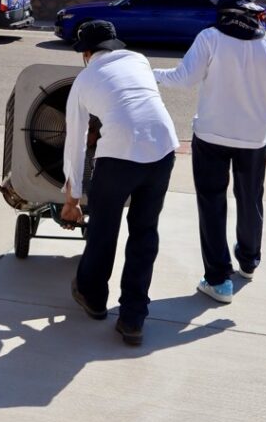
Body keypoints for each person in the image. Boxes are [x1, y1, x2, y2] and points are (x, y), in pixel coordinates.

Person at [153, 0, 266, 305]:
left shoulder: (210, 38)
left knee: (212, 204)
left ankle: (219, 280)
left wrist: (151, 74)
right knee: (250, 200)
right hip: (254, 139)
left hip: (211, 136)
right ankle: (248, 261)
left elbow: (184, 79)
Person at [60, 20, 179, 346]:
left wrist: (72, 198)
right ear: (113, 43)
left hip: (118, 156)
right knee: (144, 232)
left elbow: (76, 141)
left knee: (103, 228)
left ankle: (93, 297)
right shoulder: (139, 59)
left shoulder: (83, 81)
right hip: (163, 148)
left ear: (86, 53)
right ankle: (133, 319)